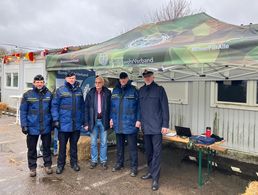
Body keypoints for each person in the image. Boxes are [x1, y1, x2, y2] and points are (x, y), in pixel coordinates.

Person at [139, 70, 169, 191]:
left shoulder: (160, 89)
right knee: (149, 152)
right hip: (146, 127)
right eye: (145, 76)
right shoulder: (141, 90)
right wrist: (138, 120)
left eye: (149, 76)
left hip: (156, 128)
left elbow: (165, 108)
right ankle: (151, 172)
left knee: (157, 153)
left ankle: (155, 178)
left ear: (153, 77)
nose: (147, 78)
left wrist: (165, 125)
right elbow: (139, 109)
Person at [20, 75, 53, 177]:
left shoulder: (49, 94)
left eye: (41, 82)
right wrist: (24, 125)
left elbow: (53, 110)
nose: (39, 84)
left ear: (44, 83)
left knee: (47, 147)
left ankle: (47, 165)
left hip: (46, 126)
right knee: (31, 148)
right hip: (32, 126)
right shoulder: (27, 95)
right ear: (34, 83)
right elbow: (23, 111)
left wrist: (53, 123)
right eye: (37, 82)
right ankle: (32, 168)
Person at [51, 72, 84, 174]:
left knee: (74, 145)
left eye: (73, 78)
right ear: (66, 79)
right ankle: (61, 165)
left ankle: (74, 163)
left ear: (75, 78)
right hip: (63, 125)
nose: (71, 79)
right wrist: (56, 120)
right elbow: (54, 106)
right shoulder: (60, 90)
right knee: (62, 147)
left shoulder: (79, 90)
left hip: (76, 124)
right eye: (70, 78)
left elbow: (82, 107)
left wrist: (83, 120)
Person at [110, 72, 140, 177]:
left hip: (130, 124)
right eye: (121, 78)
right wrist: (111, 118)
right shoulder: (115, 90)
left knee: (132, 148)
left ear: (128, 79)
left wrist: (139, 120)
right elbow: (112, 107)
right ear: (119, 80)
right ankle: (119, 163)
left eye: (124, 78)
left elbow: (139, 107)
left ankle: (134, 167)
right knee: (119, 147)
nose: (123, 80)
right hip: (118, 123)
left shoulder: (134, 90)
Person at [84, 76, 111, 170]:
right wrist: (86, 123)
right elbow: (86, 109)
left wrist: (110, 119)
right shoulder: (90, 93)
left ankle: (103, 161)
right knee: (93, 143)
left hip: (103, 120)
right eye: (96, 82)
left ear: (103, 83)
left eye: (99, 82)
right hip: (93, 121)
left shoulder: (107, 93)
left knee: (104, 143)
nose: (97, 84)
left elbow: (111, 108)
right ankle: (94, 160)